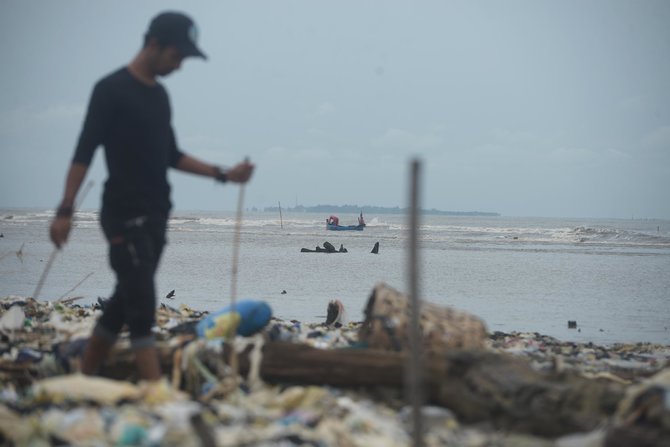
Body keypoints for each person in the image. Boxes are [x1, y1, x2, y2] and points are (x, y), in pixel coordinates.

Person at [49, 11, 254, 382]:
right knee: (142, 303)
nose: (178, 66)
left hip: (157, 213)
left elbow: (171, 155)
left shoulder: (159, 97)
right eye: (177, 56)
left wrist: (224, 175)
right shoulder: (110, 90)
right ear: (154, 44)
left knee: (124, 301)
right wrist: (65, 209)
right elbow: (84, 152)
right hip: (122, 214)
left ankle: (83, 375)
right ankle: (156, 393)